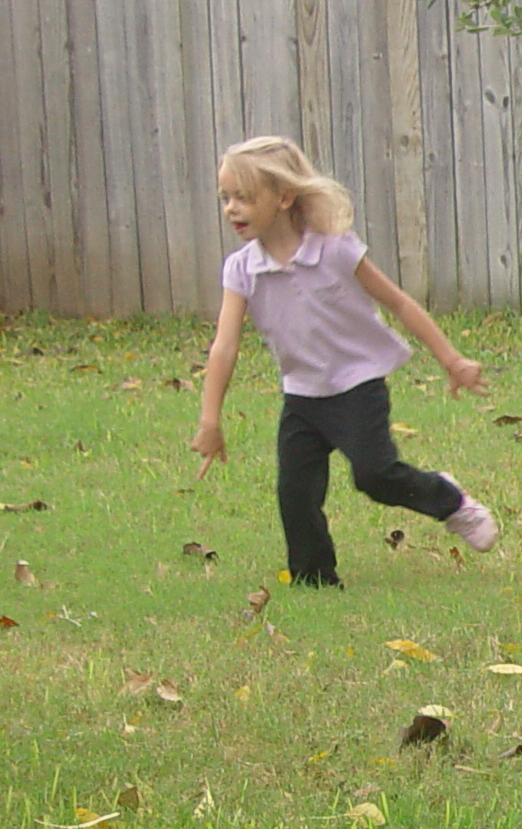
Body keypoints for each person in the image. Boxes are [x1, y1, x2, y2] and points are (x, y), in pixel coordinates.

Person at [191, 136, 497, 587]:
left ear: (284, 196)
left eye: (244, 197)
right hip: (302, 396)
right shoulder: (241, 269)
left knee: (374, 476)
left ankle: (449, 501)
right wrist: (210, 420)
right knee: (295, 493)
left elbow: (398, 303)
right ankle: (314, 579)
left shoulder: (334, 250)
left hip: (357, 387)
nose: (231, 209)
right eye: (225, 198)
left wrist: (451, 359)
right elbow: (225, 346)